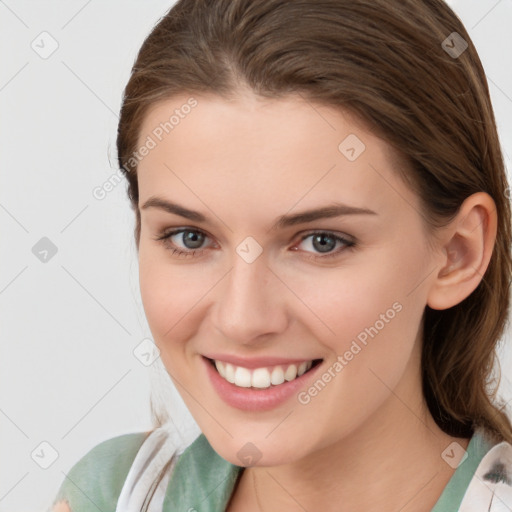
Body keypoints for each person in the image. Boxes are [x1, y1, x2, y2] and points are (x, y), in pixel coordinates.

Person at [49, 0, 512, 510]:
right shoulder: (109, 494)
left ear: (456, 254)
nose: (243, 320)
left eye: (321, 242)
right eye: (190, 237)